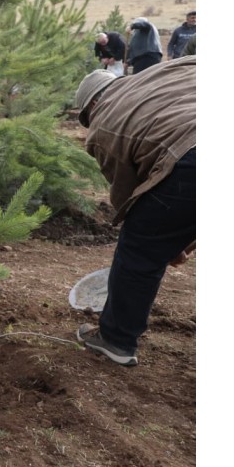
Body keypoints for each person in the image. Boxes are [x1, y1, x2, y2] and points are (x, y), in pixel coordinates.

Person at [71, 56, 196, 366]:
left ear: (92, 106)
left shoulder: (104, 122)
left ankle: (116, 339)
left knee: (139, 246)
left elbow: (130, 195)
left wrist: (164, 241)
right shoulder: (166, 69)